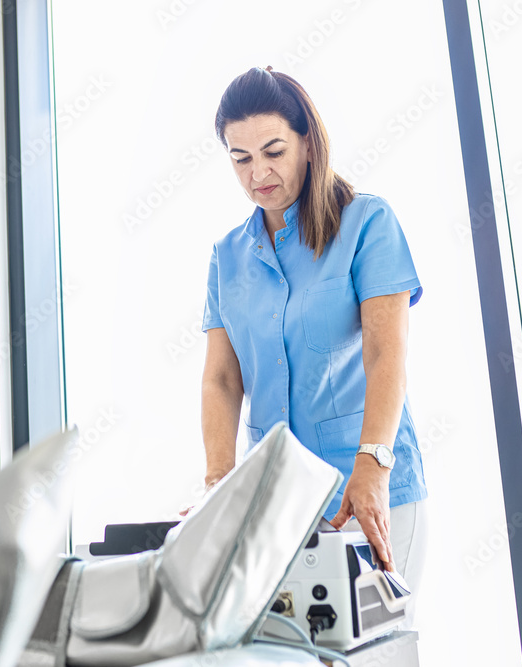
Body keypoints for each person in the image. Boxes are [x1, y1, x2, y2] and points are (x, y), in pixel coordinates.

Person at [197, 67, 428, 592]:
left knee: (375, 649)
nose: (259, 173)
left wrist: (373, 463)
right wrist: (218, 484)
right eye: (241, 158)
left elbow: (385, 353)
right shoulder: (227, 257)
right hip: (274, 505)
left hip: (365, 491)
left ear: (307, 141)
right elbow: (222, 381)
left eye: (273, 151)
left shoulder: (367, 223)